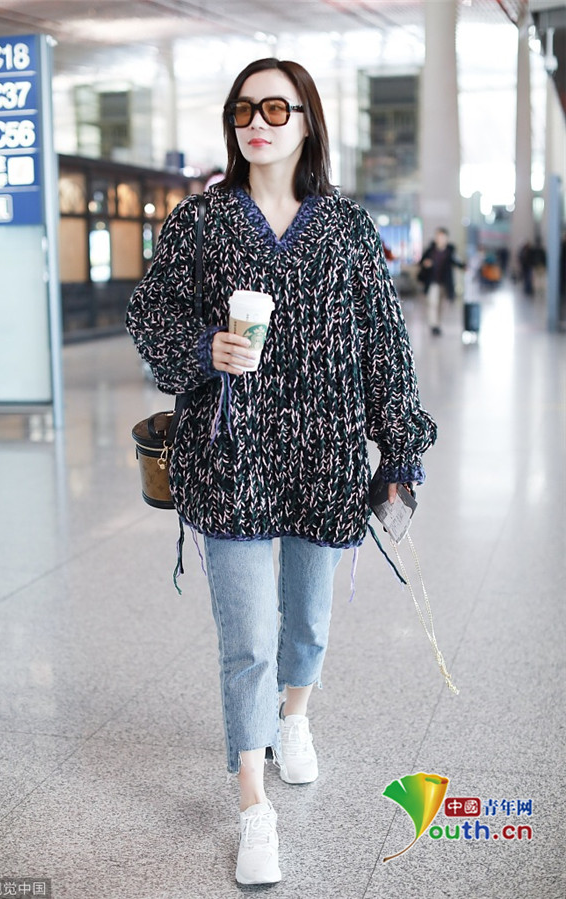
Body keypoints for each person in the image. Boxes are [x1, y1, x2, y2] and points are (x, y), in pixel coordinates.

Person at [126, 58, 437, 886]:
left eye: (275, 108)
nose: (256, 123)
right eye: (243, 109)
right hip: (230, 456)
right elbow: (149, 314)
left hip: (324, 457)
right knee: (248, 641)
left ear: (306, 121)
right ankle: (253, 805)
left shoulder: (346, 228)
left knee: (308, 623)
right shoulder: (199, 223)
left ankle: (294, 716)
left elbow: (384, 345)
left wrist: (399, 453)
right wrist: (205, 348)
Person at [418, 227, 465, 335]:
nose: (440, 239)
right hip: (432, 282)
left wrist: (463, 266)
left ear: (446, 238)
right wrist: (426, 264)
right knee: (432, 303)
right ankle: (433, 325)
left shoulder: (450, 251)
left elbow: (456, 261)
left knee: (442, 305)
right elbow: (421, 262)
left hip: (445, 283)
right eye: (438, 237)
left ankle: (438, 324)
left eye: (442, 237)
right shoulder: (430, 250)